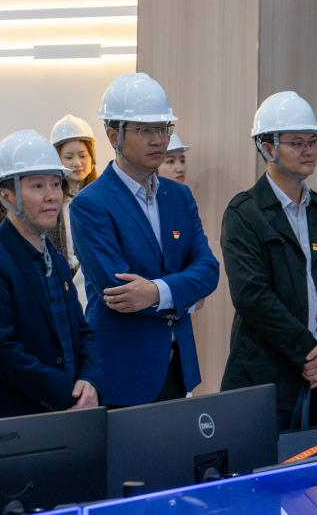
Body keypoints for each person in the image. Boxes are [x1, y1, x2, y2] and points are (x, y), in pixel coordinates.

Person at [70, 73, 219, 407]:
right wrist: (185, 294)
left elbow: (209, 269)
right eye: (145, 130)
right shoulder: (90, 204)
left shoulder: (179, 196)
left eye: (163, 128)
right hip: (123, 371)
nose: (158, 140)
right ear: (113, 135)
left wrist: (156, 291)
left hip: (178, 367)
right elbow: (118, 290)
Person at [220, 91, 317, 432]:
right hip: (264, 379)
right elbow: (252, 296)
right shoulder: (244, 213)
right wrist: (310, 353)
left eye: (312, 141)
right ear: (267, 148)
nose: (309, 150)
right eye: (297, 143)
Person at [0, 130, 102, 420]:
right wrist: (69, 393)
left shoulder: (56, 259)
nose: (51, 196)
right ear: (6, 195)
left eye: (56, 184)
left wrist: (90, 380)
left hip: (68, 414)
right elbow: (2, 353)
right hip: (13, 424)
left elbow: (82, 331)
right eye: (38, 186)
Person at [47, 114, 98, 305]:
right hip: (62, 284)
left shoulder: (102, 197)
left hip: (96, 282)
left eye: (83, 155)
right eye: (69, 157)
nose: (77, 163)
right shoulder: (51, 201)